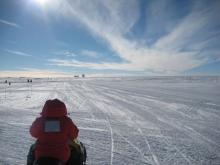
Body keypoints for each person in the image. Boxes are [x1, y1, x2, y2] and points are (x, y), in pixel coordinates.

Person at [27, 99, 79, 165]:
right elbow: (74, 134)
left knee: (32, 148)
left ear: (45, 108)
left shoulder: (40, 121)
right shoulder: (67, 121)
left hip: (41, 155)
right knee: (77, 150)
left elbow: (33, 133)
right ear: (63, 108)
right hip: (62, 157)